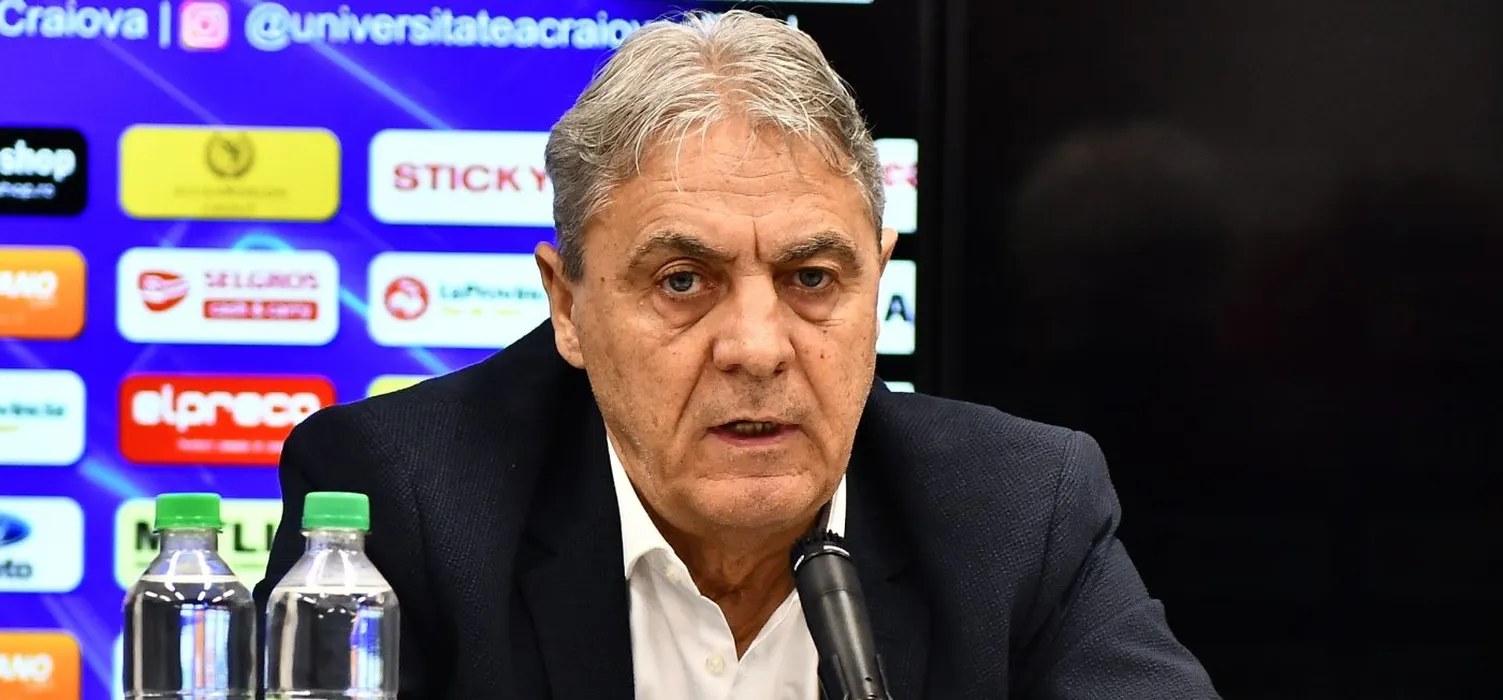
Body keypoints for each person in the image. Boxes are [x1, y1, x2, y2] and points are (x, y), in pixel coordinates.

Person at [254, 10, 1219, 699]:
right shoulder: (404, 499)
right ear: (568, 306)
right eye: (682, 280)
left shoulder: (1017, 510)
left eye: (811, 278)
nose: (757, 349)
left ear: (875, 282)